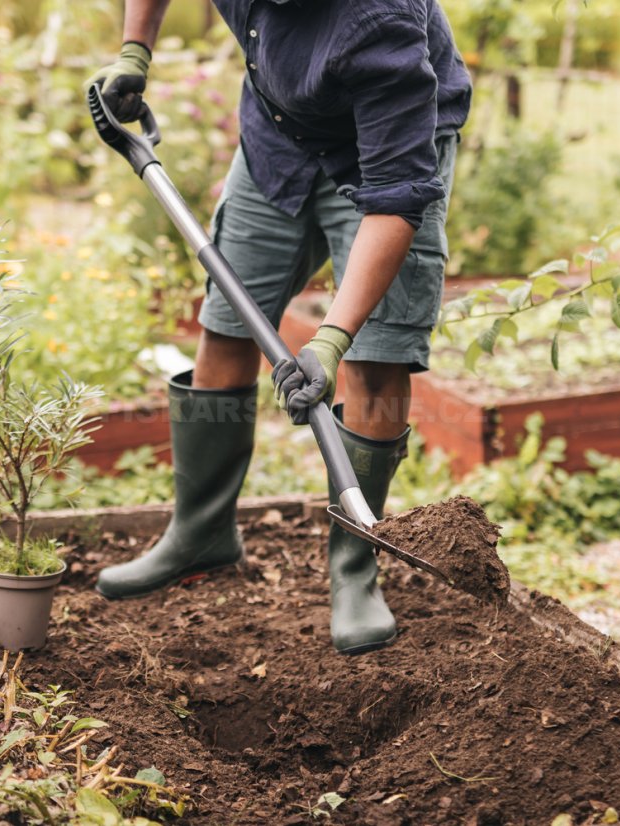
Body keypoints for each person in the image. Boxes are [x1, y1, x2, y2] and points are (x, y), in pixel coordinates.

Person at [87, 0, 471, 655]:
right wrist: (134, 52)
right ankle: (200, 531)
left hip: (385, 160)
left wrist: (330, 339)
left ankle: (355, 568)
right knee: (226, 329)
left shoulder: (381, 21)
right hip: (278, 141)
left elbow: (395, 200)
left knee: (377, 361)